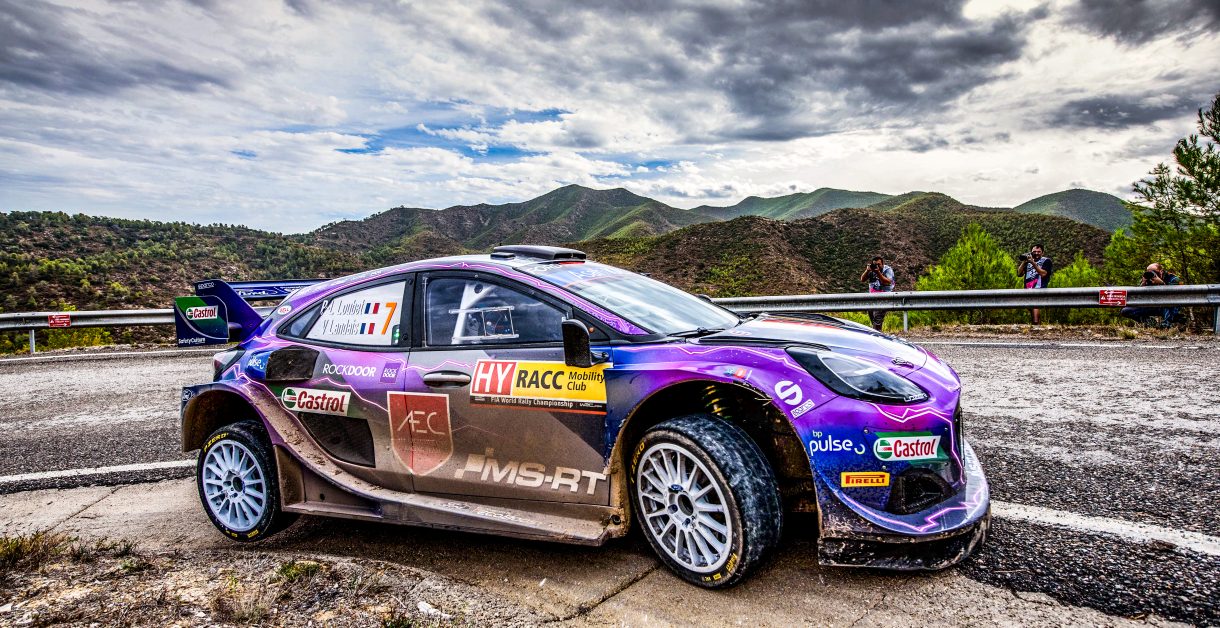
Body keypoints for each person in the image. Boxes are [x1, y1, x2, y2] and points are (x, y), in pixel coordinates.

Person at [1018, 244, 1053, 324]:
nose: (1036, 253)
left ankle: (1036, 324)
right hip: (1028, 288)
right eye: (1034, 251)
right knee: (1031, 308)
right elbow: (1019, 274)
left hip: (1039, 287)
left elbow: (1043, 274)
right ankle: (1037, 324)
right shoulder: (1028, 262)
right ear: (1031, 252)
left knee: (1035, 305)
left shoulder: (1046, 261)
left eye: (1039, 252)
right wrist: (1024, 262)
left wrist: (1033, 263)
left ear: (1042, 252)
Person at [859, 256, 894, 331]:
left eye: (879, 264)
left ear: (883, 264)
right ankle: (877, 333)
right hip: (872, 298)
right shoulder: (871, 270)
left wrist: (878, 273)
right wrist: (867, 271)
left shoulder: (887, 270)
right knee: (873, 318)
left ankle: (876, 335)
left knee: (877, 318)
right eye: (875, 264)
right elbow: (862, 279)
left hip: (884, 298)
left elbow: (887, 282)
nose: (877, 266)